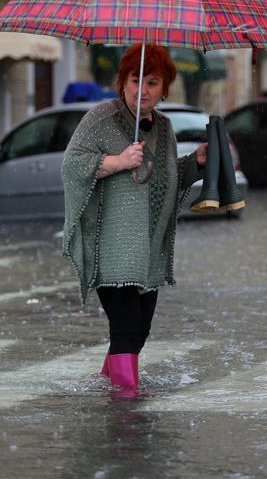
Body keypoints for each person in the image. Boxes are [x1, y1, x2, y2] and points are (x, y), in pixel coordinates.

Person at [61, 43, 208, 394]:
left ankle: (107, 386)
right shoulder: (101, 118)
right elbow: (71, 166)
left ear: (164, 89)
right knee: (126, 327)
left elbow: (167, 177)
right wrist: (117, 162)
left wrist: (196, 163)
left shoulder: (164, 128)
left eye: (153, 82)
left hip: (147, 252)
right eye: (135, 79)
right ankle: (127, 408)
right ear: (123, 82)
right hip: (111, 250)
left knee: (139, 329)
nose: (143, 89)